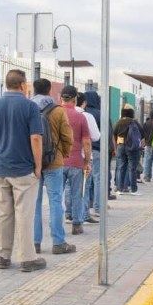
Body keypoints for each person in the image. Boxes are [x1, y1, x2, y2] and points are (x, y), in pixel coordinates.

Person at [0, 69, 46, 270]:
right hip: (23, 170)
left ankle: (2, 256)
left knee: (3, 214)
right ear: (23, 85)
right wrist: (38, 167)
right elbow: (36, 138)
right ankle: (28, 258)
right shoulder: (30, 107)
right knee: (24, 214)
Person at [31, 79, 76, 255]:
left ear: (34, 90)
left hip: (33, 161)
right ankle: (58, 243)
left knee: (35, 203)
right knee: (56, 200)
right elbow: (67, 136)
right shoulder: (58, 111)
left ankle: (35, 242)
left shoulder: (29, 108)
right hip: (53, 161)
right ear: (50, 91)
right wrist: (63, 153)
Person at [58, 86, 92, 235]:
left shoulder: (54, 115)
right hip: (77, 161)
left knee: (56, 194)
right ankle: (77, 224)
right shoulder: (81, 117)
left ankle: (58, 222)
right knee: (77, 193)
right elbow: (87, 142)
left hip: (57, 162)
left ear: (61, 98)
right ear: (75, 99)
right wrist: (87, 162)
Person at [75, 92, 100, 224]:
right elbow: (93, 137)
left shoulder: (62, 113)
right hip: (84, 155)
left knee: (68, 187)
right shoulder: (88, 116)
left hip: (65, 158)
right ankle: (84, 215)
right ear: (83, 102)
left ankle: (70, 214)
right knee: (85, 185)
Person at [113, 107, 144, 195]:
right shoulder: (134, 122)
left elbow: (114, 134)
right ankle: (133, 189)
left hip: (120, 146)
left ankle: (119, 188)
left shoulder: (119, 122)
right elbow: (142, 134)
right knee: (132, 168)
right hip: (131, 146)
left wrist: (115, 148)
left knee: (121, 167)